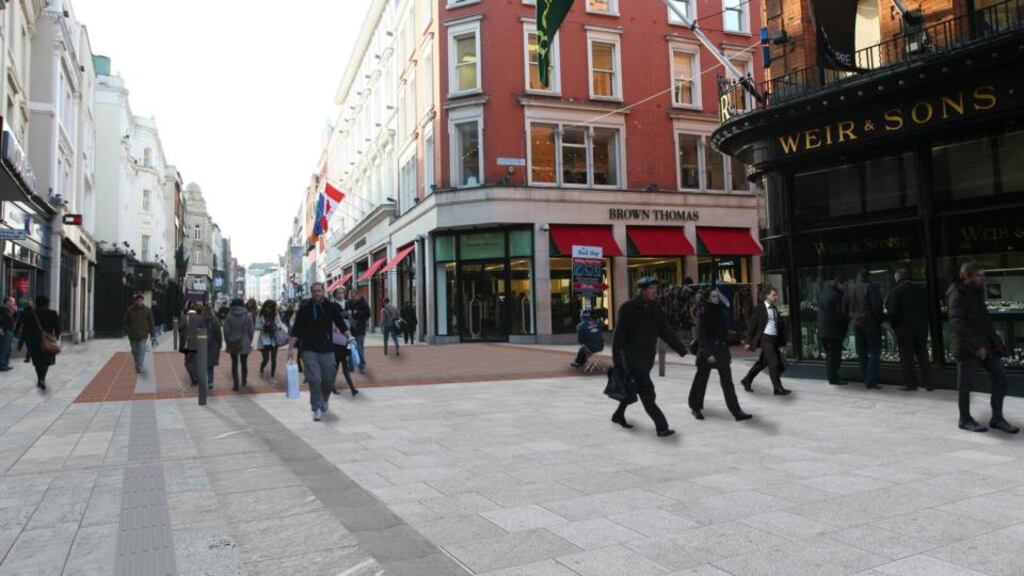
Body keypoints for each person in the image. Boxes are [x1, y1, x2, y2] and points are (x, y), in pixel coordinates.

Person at [611, 276, 689, 438]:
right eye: (651, 289)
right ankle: (662, 427)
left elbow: (665, 331)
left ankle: (618, 415)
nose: (655, 292)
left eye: (655, 288)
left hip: (647, 359)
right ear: (642, 290)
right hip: (632, 359)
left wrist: (682, 350)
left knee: (632, 389)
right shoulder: (628, 308)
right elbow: (617, 339)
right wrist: (619, 364)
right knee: (648, 393)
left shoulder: (656, 307)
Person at [948, 262, 1018, 434]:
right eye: (979, 275)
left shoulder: (976, 292)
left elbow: (984, 321)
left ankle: (997, 417)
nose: (983, 278)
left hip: (986, 344)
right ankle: (964, 419)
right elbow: (958, 323)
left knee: (1001, 378)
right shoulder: (957, 294)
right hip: (967, 346)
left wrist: (994, 343)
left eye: (983, 275)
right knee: (965, 385)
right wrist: (977, 346)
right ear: (968, 276)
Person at [289, 282, 350, 422]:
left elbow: (340, 323)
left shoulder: (330, 306)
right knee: (314, 379)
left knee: (329, 379)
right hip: (309, 349)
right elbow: (296, 329)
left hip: (327, 348)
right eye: (314, 291)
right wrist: (291, 350)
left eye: (319, 291)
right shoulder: (305, 308)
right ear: (311, 293)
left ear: (323, 291)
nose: (316, 293)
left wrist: (349, 336)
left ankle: (324, 400)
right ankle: (316, 408)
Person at [690, 288, 752, 421]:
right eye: (714, 296)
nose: (717, 298)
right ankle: (695, 407)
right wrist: (708, 354)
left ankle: (737, 412)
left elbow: (721, 330)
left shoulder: (720, 310)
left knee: (728, 383)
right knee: (701, 381)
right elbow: (701, 335)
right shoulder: (703, 312)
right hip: (708, 351)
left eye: (717, 296)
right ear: (707, 298)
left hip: (722, 350)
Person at [886, 269, 932, 391]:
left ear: (897, 278)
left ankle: (911, 383)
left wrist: (895, 326)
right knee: (923, 356)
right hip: (921, 328)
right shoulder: (922, 289)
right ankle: (928, 383)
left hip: (904, 331)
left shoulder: (895, 292)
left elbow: (892, 311)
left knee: (907, 359)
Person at [741, 287, 791, 396]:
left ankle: (747, 380)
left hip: (774, 339)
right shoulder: (759, 308)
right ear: (767, 296)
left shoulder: (774, 308)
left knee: (762, 363)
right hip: (765, 338)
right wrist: (748, 342)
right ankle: (778, 388)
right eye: (774, 295)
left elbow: (778, 325)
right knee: (774, 363)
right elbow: (752, 326)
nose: (776, 297)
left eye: (776, 295)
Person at [844, 269, 885, 389]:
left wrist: (851, 318)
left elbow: (844, 306)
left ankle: (865, 377)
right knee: (874, 351)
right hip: (870, 321)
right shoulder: (871, 287)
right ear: (868, 277)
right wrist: (879, 319)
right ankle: (871, 379)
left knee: (861, 351)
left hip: (856, 322)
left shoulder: (850, 289)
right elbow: (877, 306)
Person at [21, 294, 60, 390]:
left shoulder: (29, 313)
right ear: (47, 303)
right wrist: (57, 337)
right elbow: (57, 327)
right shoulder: (53, 313)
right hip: (46, 340)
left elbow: (25, 328)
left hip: (33, 341)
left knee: (37, 361)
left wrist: (22, 341)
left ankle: (40, 379)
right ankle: (42, 379)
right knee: (46, 361)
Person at [817, 277, 849, 385]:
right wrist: (846, 323)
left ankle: (832, 376)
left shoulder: (824, 293)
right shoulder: (837, 296)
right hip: (834, 332)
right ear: (840, 284)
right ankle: (834, 378)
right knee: (834, 357)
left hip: (823, 331)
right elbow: (840, 315)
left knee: (830, 356)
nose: (846, 288)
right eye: (845, 285)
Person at [330, 289, 358, 396]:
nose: (341, 295)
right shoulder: (333, 306)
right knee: (338, 365)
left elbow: (353, 316)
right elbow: (337, 317)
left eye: (342, 293)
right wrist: (347, 314)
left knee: (343, 365)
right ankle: (350, 388)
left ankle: (351, 388)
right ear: (335, 295)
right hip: (337, 340)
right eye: (338, 293)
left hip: (346, 339)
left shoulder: (347, 304)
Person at [223, 298, 255, 391]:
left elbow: (226, 330)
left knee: (234, 363)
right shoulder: (248, 316)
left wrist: (228, 341)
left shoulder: (229, 316)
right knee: (244, 363)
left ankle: (236, 384)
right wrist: (249, 340)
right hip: (244, 341)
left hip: (233, 342)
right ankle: (244, 381)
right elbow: (251, 331)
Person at [124, 294, 156, 373]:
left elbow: (151, 323)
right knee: (134, 351)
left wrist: (153, 335)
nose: (139, 302)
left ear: (143, 301)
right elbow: (125, 322)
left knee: (141, 351)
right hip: (133, 335)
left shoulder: (147, 310)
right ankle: (137, 363)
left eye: (141, 300)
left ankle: (139, 366)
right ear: (135, 301)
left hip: (143, 334)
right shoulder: (129, 310)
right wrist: (128, 330)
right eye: (138, 300)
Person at [258, 299, 284, 379]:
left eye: (271, 308)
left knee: (273, 358)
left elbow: (280, 324)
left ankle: (272, 375)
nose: (269, 309)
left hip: (274, 339)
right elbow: (256, 326)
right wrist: (264, 326)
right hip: (264, 339)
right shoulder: (260, 314)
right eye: (267, 307)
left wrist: (275, 326)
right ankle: (262, 367)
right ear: (265, 307)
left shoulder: (276, 314)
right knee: (266, 359)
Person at [348, 292, 370, 373]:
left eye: (354, 295)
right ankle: (350, 366)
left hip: (360, 330)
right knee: (349, 348)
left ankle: (362, 366)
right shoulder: (348, 303)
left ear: (358, 296)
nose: (353, 297)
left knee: (360, 348)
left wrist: (358, 312)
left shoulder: (363, 304)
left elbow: (368, 315)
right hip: (350, 331)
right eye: (351, 296)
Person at [0, 296, 17, 371]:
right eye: (12, 301)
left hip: (10, 331)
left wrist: (15, 311)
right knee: (4, 348)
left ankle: (5, 364)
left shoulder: (9, 310)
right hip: (5, 331)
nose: (14, 303)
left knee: (8, 349)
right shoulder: (2, 310)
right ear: (7, 302)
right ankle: (2, 364)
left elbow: (14, 320)